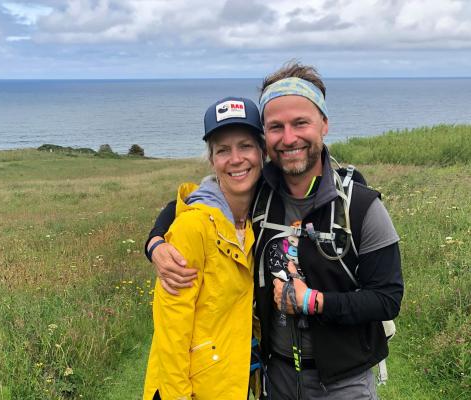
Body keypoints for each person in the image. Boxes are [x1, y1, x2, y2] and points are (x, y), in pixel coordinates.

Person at [146, 62, 404, 400]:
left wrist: (314, 302)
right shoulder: (260, 194)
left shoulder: (361, 206)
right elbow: (199, 200)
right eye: (276, 127)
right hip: (276, 376)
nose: (289, 137)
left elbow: (387, 299)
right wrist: (156, 240)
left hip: (346, 381)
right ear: (266, 139)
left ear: (324, 124)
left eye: (300, 123)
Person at [142, 96, 265, 400]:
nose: (236, 159)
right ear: (212, 160)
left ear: (263, 153)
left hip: (230, 382)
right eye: (223, 150)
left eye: (245, 146)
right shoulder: (192, 227)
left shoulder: (260, 217)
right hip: (190, 389)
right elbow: (171, 330)